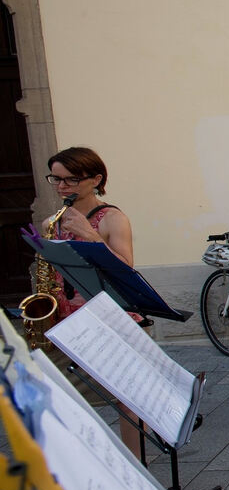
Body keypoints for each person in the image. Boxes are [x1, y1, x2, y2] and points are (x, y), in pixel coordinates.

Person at [41, 146, 143, 455]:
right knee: (56, 396)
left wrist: (91, 235)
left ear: (96, 179)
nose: (62, 187)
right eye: (56, 179)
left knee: (127, 396)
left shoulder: (112, 218)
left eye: (71, 179)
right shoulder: (52, 222)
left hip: (109, 317)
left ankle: (137, 463)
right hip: (67, 318)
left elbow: (125, 269)